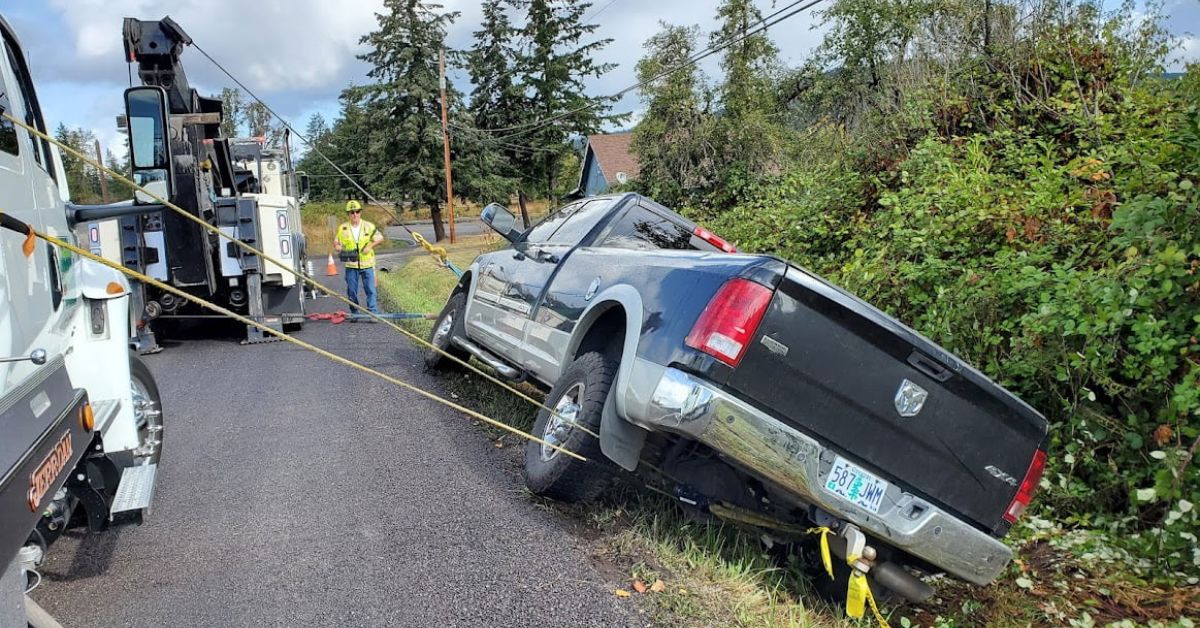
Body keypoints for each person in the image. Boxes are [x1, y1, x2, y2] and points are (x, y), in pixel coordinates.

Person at [334, 200, 384, 315]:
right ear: (348, 214)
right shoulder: (343, 228)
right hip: (351, 265)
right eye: (352, 212)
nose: (355, 214)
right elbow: (336, 241)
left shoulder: (369, 226)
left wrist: (370, 246)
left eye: (357, 211)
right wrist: (337, 246)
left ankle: (373, 312)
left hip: (367, 264)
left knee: (371, 290)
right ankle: (354, 313)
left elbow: (380, 238)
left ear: (360, 212)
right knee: (351, 291)